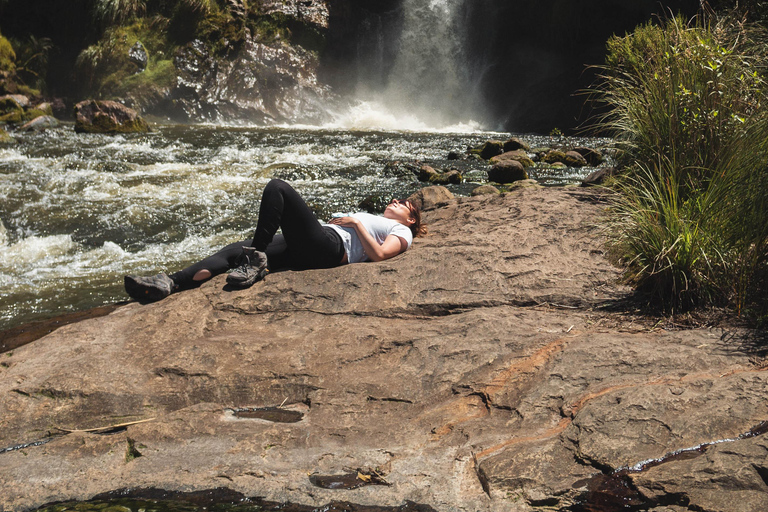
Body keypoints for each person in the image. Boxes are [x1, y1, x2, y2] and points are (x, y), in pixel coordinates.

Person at [124, 178, 427, 302]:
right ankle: (169, 283)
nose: (396, 201)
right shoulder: (388, 221)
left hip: (330, 247)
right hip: (310, 249)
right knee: (233, 251)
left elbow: (380, 256)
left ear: (411, 220)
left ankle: (254, 259)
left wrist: (356, 223)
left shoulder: (401, 232)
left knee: (278, 188)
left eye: (404, 204)